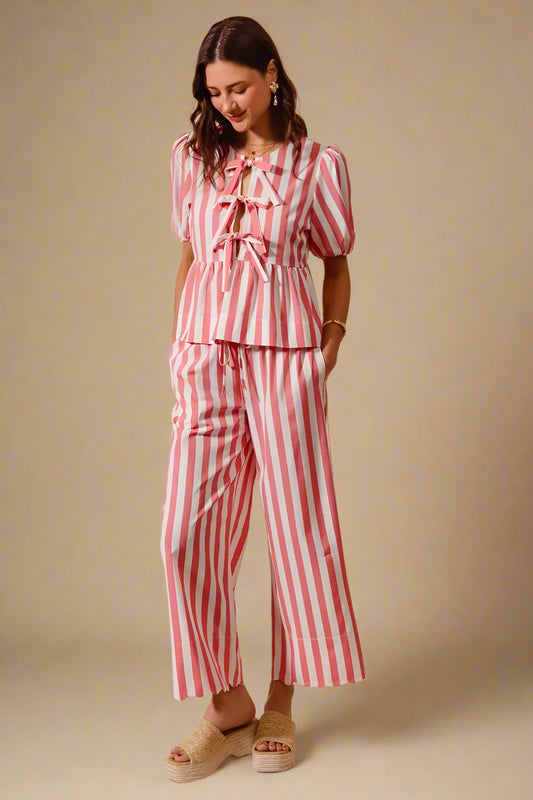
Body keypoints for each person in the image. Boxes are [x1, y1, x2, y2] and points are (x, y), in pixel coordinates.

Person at [160, 15, 366, 782]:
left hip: (285, 361)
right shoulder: (191, 159)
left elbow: (335, 262)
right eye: (214, 94)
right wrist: (180, 348)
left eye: (238, 87)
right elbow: (189, 255)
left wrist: (330, 342)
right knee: (183, 535)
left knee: (295, 529)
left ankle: (280, 701)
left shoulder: (317, 165)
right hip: (206, 359)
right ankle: (227, 705)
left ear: (271, 74)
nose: (227, 105)